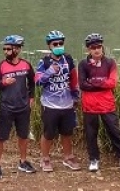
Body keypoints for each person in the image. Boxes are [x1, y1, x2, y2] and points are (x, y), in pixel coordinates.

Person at [77, 33, 120, 176]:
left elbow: (112, 82)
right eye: (93, 47)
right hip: (90, 105)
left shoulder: (110, 62)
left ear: (102, 47)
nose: (96, 50)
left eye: (99, 46)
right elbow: (82, 85)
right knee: (91, 134)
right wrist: (102, 83)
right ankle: (94, 160)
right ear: (88, 49)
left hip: (107, 104)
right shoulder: (83, 64)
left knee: (116, 134)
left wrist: (94, 82)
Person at [0, 35, 36, 179]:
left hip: (23, 107)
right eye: (4, 49)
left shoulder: (26, 65)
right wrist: (4, 82)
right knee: (0, 137)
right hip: (6, 107)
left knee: (23, 135)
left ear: (17, 49)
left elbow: (32, 82)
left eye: (8, 49)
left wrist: (31, 98)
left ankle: (22, 162)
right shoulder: (1, 66)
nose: (5, 51)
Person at [35, 30, 81, 172]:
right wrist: (49, 72)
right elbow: (36, 81)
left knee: (67, 132)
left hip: (67, 104)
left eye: (61, 43)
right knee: (48, 133)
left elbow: (73, 78)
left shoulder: (68, 59)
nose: (58, 46)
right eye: (55, 44)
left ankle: (68, 157)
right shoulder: (44, 62)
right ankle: (45, 159)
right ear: (50, 46)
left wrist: (76, 95)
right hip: (50, 104)